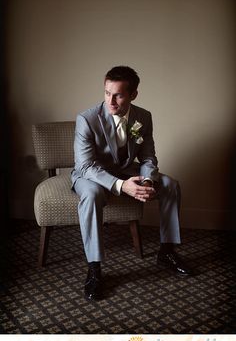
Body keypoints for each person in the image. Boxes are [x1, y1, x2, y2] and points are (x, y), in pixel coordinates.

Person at [71, 65, 192, 301]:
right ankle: (95, 269)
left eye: (118, 94)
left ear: (133, 94)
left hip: (127, 171)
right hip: (91, 175)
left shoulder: (143, 117)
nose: (111, 101)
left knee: (170, 185)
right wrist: (121, 185)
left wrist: (146, 180)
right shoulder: (86, 119)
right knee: (92, 195)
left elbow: (147, 157)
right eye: (107, 93)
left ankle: (166, 251)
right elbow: (85, 166)